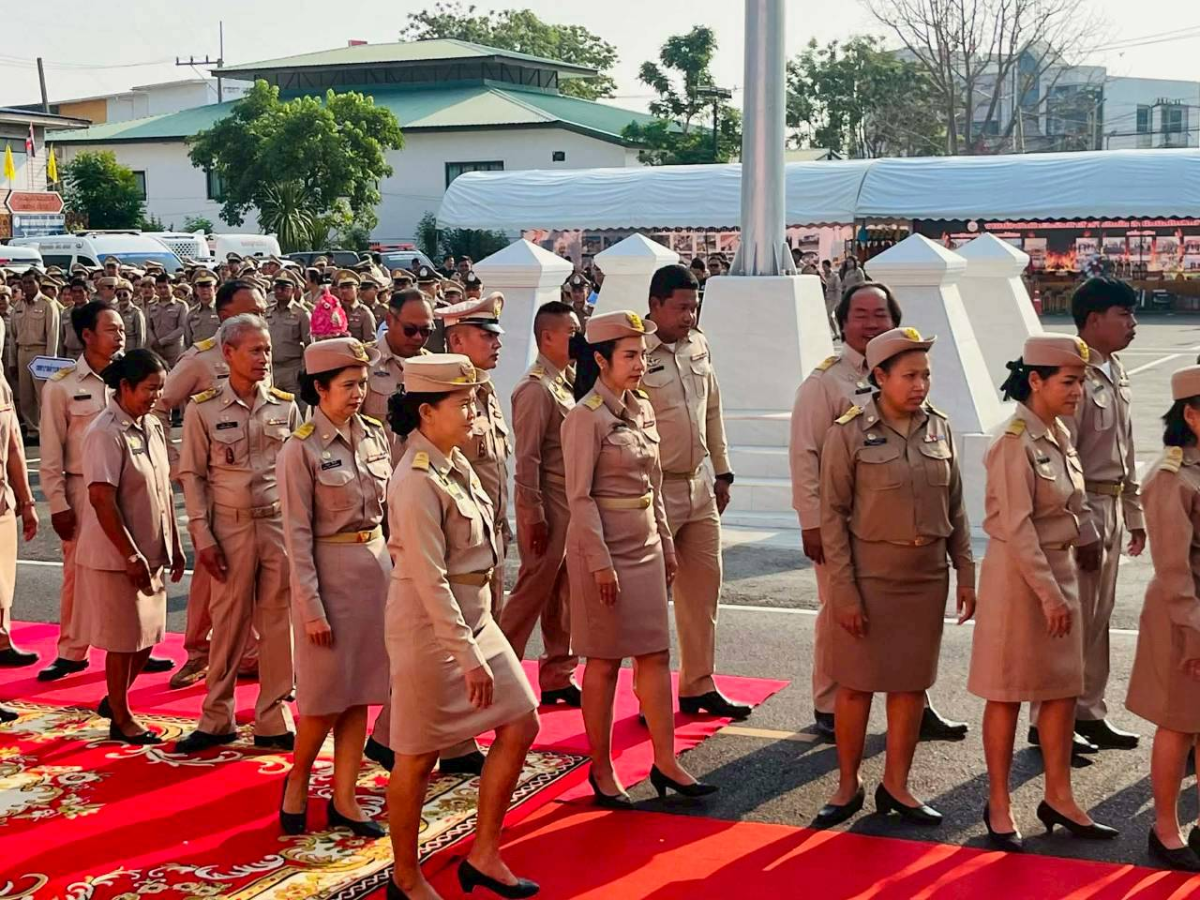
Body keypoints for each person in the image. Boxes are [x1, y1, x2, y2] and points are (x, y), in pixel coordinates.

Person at [384, 354, 541, 900]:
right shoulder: (415, 480)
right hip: (431, 631)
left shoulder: (452, 461)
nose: (474, 410)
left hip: (473, 615)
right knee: (418, 755)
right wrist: (467, 656)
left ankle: (484, 853)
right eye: (463, 402)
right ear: (427, 412)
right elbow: (429, 581)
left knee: (521, 723)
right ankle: (405, 877)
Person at [789, 283, 965, 743]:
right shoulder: (826, 382)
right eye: (861, 315)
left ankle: (915, 704)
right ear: (842, 323)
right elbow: (806, 454)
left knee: (909, 626)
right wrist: (811, 520)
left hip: (900, 527)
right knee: (840, 614)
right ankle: (830, 703)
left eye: (880, 314)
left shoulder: (908, 376)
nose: (871, 322)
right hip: (845, 527)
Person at [814, 328, 975, 828]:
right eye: (909, 376)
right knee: (856, 687)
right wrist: (843, 592)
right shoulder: (848, 432)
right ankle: (847, 785)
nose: (920, 385)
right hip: (869, 578)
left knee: (909, 686)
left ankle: (897, 786)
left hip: (925, 579)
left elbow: (956, 506)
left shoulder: (940, 428)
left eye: (925, 375)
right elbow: (833, 517)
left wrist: (966, 570)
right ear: (879, 377)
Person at [969, 334, 1118, 851]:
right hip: (1021, 581)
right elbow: (1017, 526)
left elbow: (1070, 508)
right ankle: (999, 803)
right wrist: (1049, 594)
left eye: (1079, 380)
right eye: (1069, 381)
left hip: (1062, 573)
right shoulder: (1013, 441)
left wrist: (1088, 542)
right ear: (1036, 381)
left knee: (1060, 691)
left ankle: (1060, 796)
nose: (1078, 389)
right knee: (1008, 692)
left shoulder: (1056, 433)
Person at [564, 310, 717, 809]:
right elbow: (580, 498)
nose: (639, 364)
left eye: (642, 355)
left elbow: (652, 486)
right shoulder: (584, 418)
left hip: (647, 544)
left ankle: (667, 760)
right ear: (601, 359)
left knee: (656, 655)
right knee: (604, 663)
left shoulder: (642, 408)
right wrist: (600, 562)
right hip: (603, 549)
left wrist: (667, 542)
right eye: (629, 356)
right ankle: (602, 769)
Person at [277, 337, 391, 838]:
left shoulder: (373, 435)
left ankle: (345, 798)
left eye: (363, 383)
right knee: (324, 698)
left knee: (361, 692)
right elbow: (296, 537)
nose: (358, 394)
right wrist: (311, 607)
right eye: (347, 385)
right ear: (319, 388)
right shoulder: (300, 448)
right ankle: (297, 782)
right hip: (329, 576)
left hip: (375, 575)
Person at [174, 315, 299, 754]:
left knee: (277, 622)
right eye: (255, 350)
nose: (265, 358)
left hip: (277, 524)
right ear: (228, 354)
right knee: (227, 624)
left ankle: (273, 716)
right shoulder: (203, 408)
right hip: (229, 526)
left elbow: (297, 474)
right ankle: (216, 716)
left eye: (267, 349)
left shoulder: (285, 405)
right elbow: (191, 475)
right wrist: (201, 537)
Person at [1031, 277, 1143, 754]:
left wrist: (1134, 511)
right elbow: (1064, 457)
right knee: (1070, 623)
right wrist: (1083, 528)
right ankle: (1046, 721)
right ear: (1093, 320)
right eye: (1124, 314)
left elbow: (1127, 447)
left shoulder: (1114, 371)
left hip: (1113, 503)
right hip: (1083, 510)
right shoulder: (1072, 377)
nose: (1132, 324)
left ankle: (1088, 712)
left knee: (1098, 620)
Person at [36, 303, 171, 681]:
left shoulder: (135, 374)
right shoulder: (62, 385)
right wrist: (59, 503)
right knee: (78, 573)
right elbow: (50, 453)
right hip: (84, 488)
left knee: (141, 564)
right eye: (110, 329)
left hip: (131, 486)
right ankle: (72, 650)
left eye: (122, 329)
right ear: (87, 335)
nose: (119, 336)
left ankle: (141, 641)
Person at [641, 264, 749, 718]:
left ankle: (697, 684)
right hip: (655, 489)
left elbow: (713, 409)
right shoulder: (635, 352)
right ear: (655, 306)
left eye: (694, 305)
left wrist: (723, 472)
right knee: (648, 599)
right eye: (681, 306)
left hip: (699, 483)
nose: (689, 315)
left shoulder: (698, 345)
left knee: (703, 591)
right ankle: (650, 696)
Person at [153, 279, 268, 690]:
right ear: (222, 315)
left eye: (261, 307)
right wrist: (172, 460)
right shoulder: (201, 360)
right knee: (210, 572)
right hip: (215, 485)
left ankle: (252, 653)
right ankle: (198, 652)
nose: (259, 314)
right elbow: (159, 404)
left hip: (259, 487)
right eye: (248, 309)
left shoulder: (261, 354)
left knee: (261, 579)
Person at [76, 350, 186, 743]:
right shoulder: (105, 431)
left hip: (149, 550)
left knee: (148, 637)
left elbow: (162, 489)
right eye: (149, 388)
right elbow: (102, 498)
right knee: (124, 641)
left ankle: (115, 700)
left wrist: (173, 541)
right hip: (117, 556)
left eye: (160, 388)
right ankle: (120, 716)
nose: (156, 396)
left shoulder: (151, 426)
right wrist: (129, 554)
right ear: (124, 387)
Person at [1123, 366, 1200, 870]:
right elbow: (1173, 566)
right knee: (1178, 723)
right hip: (1185, 608)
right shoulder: (1170, 476)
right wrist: (1193, 631)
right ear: (1192, 415)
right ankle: (1165, 827)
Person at [499, 301, 581, 707]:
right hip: (548, 501)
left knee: (562, 594)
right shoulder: (535, 388)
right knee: (532, 591)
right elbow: (526, 458)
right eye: (570, 331)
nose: (577, 338)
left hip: (570, 501)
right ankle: (499, 673)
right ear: (547, 337)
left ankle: (558, 674)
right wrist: (532, 516)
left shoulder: (567, 381)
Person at [439, 293, 511, 615]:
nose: (497, 344)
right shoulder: (442, 398)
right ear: (456, 339)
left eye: (496, 336)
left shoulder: (485, 390)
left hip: (491, 537)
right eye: (487, 336)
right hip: (459, 545)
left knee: (492, 628)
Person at [364, 287, 435, 465]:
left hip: (426, 478)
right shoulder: (364, 363)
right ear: (389, 320)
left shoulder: (434, 367)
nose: (418, 337)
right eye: (410, 330)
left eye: (426, 331)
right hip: (380, 479)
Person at [0, 365, 38, 671]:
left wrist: (27, 500)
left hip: (2, 501)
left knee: (3, 582)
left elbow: (14, 443)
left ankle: (1, 640)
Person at [13, 269, 60, 439]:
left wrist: (49, 363)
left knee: (43, 395)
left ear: (39, 283)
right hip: (22, 352)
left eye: (31, 282)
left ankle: (47, 430)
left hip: (40, 353)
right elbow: (13, 336)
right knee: (25, 395)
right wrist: (12, 360)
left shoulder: (48, 304)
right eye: (24, 283)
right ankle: (33, 431)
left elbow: (52, 335)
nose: (27, 286)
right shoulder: (18, 306)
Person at [265, 271, 312, 404]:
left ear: (293, 290)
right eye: (277, 288)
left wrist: (304, 371)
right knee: (272, 408)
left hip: (293, 369)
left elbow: (309, 344)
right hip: (272, 368)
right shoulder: (268, 312)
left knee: (297, 408)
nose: (279, 291)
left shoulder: (302, 314)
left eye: (284, 288)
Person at [148, 273, 189, 368]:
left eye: (165, 287)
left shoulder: (181, 305)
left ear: (172, 287)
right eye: (159, 287)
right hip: (156, 350)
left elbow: (182, 328)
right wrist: (154, 342)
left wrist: (162, 342)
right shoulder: (151, 306)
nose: (162, 290)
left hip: (174, 350)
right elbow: (148, 327)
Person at [336, 269, 377, 344]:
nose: (344, 291)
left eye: (349, 287)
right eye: (342, 288)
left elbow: (371, 343)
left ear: (357, 291)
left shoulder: (364, 314)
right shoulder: (334, 311)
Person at [184, 272, 221, 345]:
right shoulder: (192, 313)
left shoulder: (222, 310)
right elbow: (188, 342)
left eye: (208, 286)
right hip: (197, 354)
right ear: (195, 290)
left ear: (216, 288)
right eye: (201, 286)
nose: (204, 289)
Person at [116, 282, 148, 352]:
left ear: (131, 295)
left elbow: (141, 336)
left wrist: (138, 353)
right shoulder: (114, 311)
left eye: (125, 294)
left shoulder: (136, 312)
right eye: (119, 295)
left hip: (131, 348)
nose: (121, 297)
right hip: (118, 347)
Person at [821, 261, 841, 331]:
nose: (823, 268)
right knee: (830, 316)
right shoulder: (823, 275)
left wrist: (838, 300)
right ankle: (836, 332)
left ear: (829, 266)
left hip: (833, 298)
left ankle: (841, 330)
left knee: (828, 314)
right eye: (822, 266)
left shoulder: (835, 276)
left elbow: (838, 288)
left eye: (825, 266)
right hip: (826, 298)